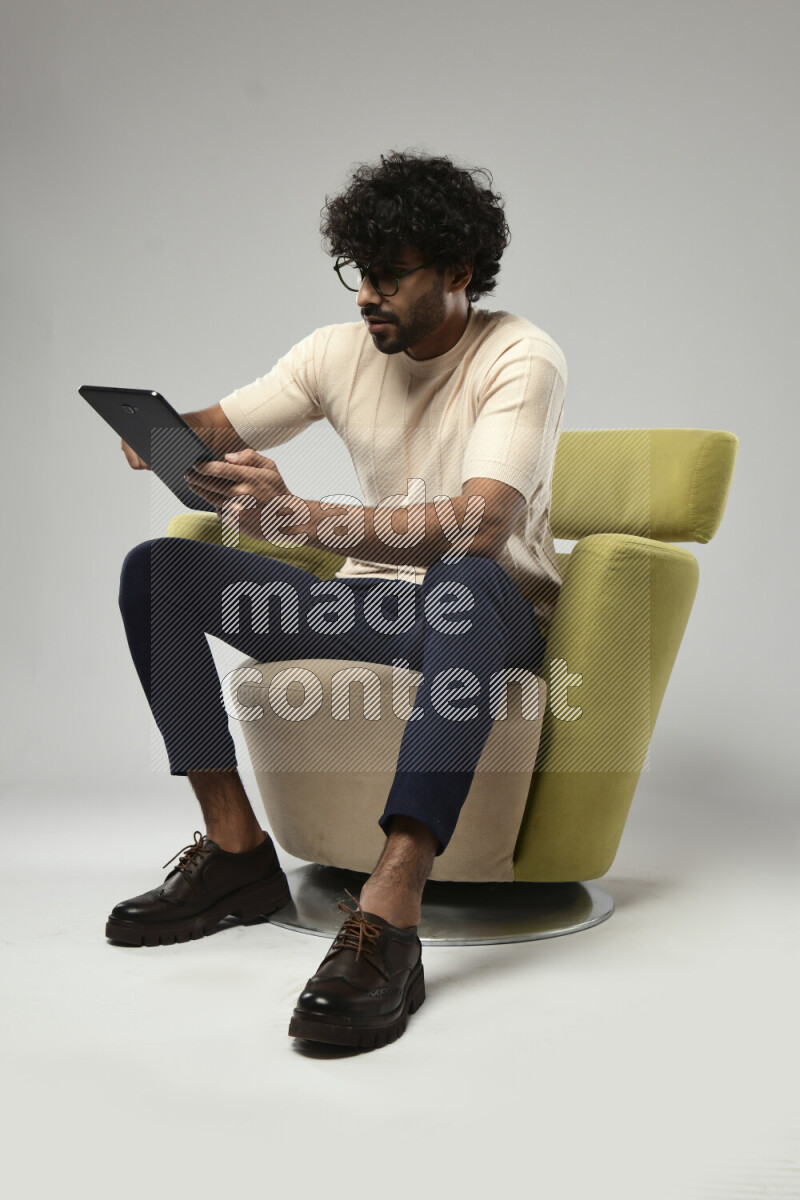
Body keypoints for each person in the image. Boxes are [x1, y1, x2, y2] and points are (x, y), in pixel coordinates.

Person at [111, 149, 568, 1050]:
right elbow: (221, 425)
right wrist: (164, 437)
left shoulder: (521, 356)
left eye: (390, 275)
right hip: (369, 611)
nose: (366, 295)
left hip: (485, 616)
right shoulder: (335, 352)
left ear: (458, 272)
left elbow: (479, 526)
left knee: (465, 578)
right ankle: (237, 853)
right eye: (358, 271)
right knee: (158, 570)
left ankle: (390, 913)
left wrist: (298, 518)